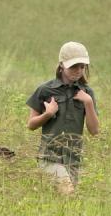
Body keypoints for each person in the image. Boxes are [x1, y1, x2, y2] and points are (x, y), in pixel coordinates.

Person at [26, 42, 100, 195]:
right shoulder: (45, 90)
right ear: (61, 65)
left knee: (64, 204)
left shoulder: (87, 92)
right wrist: (47, 114)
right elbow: (31, 125)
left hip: (73, 158)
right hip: (50, 156)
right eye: (74, 66)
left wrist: (88, 102)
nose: (78, 71)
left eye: (82, 66)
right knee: (68, 193)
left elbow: (94, 130)